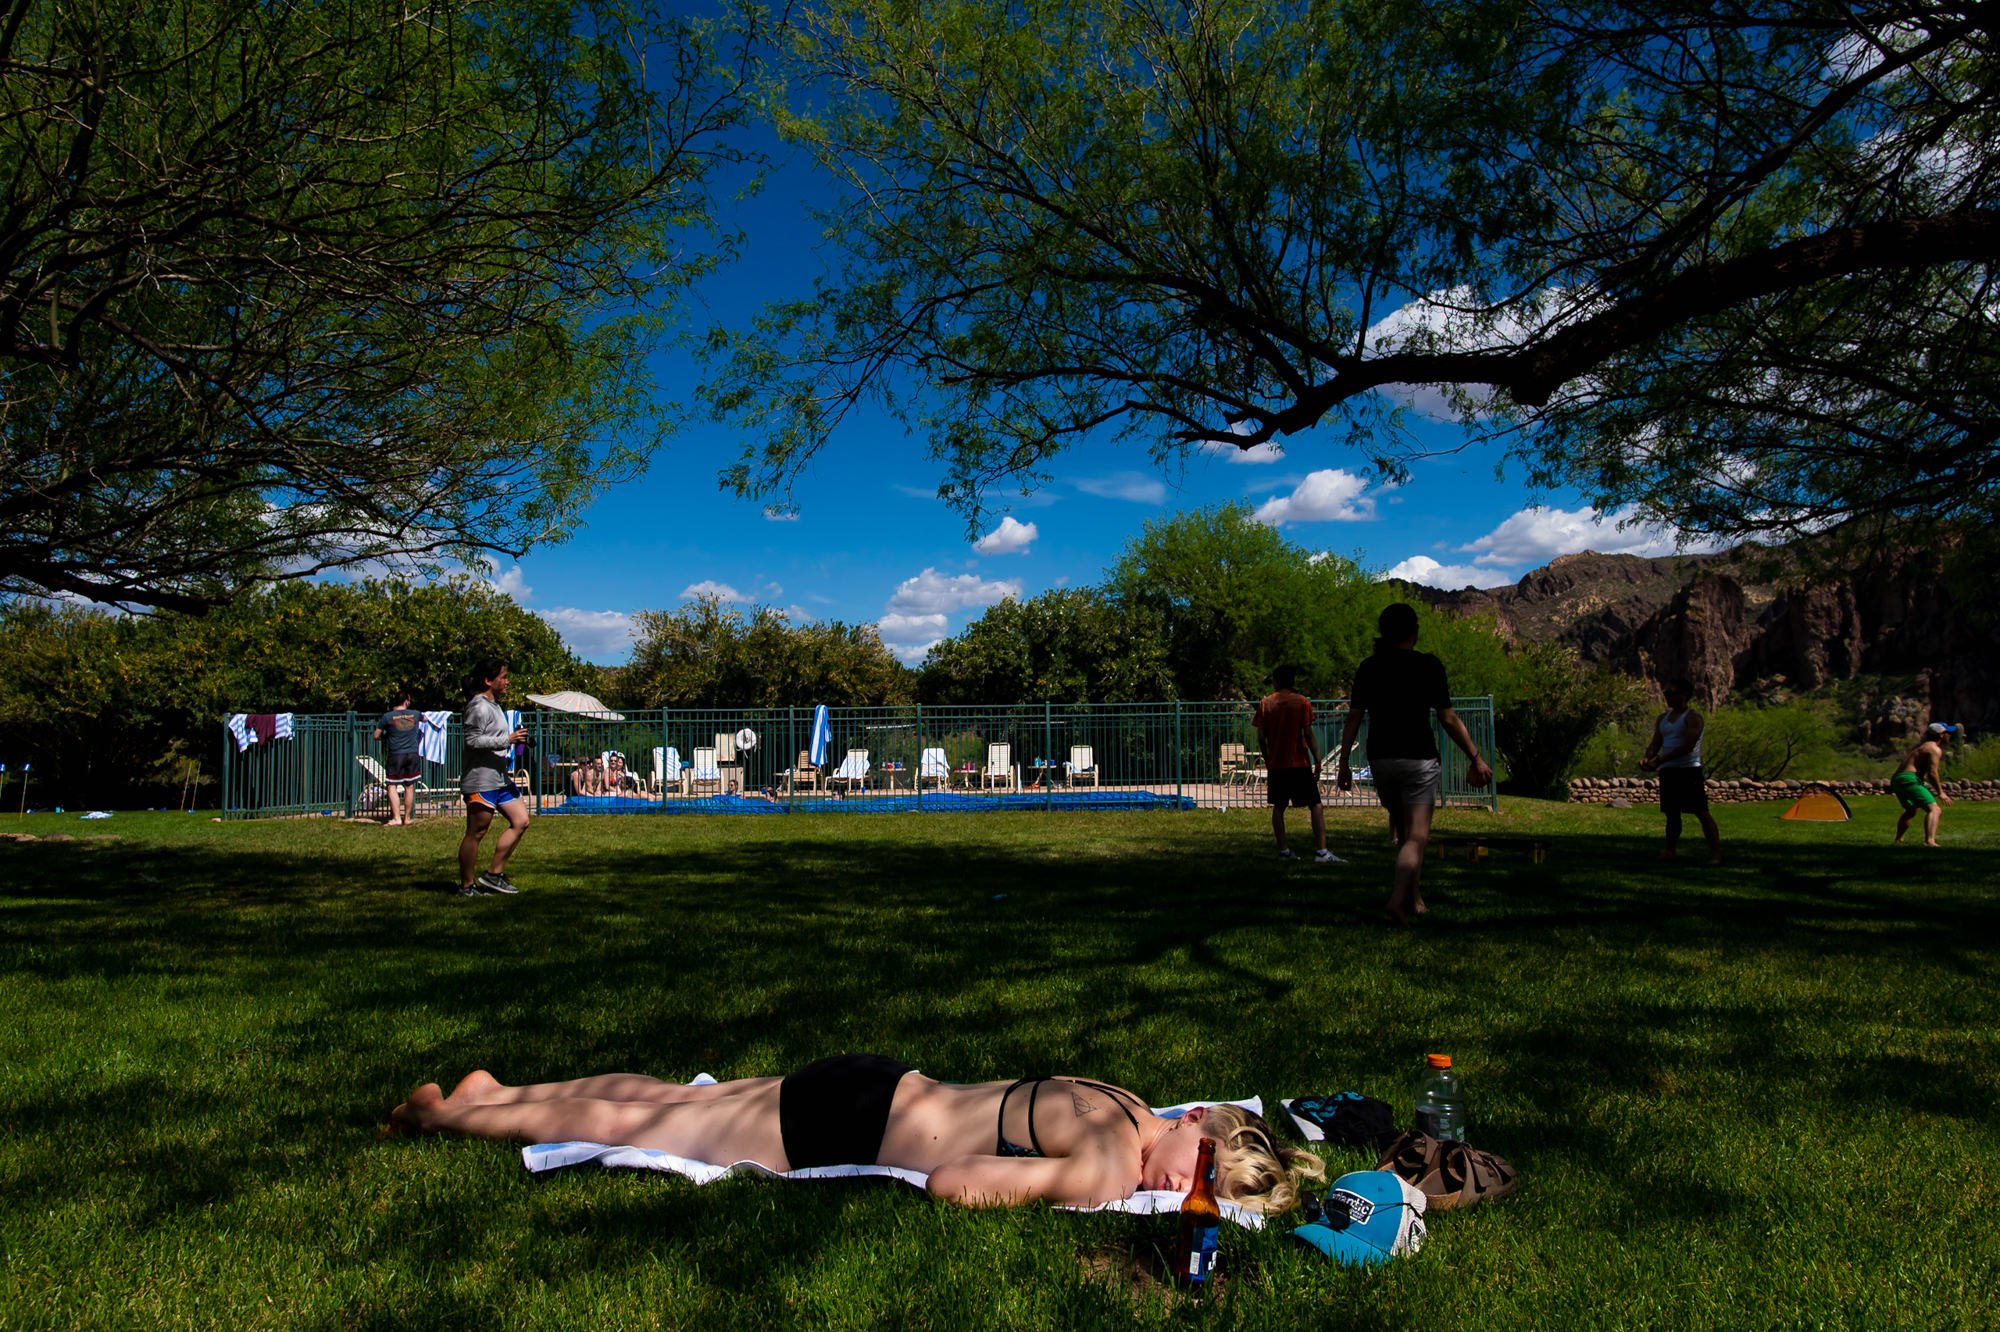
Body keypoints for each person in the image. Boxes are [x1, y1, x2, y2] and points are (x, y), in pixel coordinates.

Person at [387, 1055, 1324, 1214]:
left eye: (1206, 1194)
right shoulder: (1112, 1162)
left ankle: (493, 1090)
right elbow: (956, 1184)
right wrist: (1092, 1191)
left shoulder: (1126, 1102)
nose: (1179, 1189)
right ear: (1197, 1125)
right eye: (1199, 1171)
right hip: (850, 1120)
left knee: (664, 1098)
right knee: (637, 1124)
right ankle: (442, 1114)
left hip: (881, 1081)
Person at [1336, 603, 1493, 926]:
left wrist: (1342, 763)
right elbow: (1447, 718)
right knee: (1418, 836)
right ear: (1414, 631)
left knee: (1407, 833)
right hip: (1419, 760)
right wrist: (1475, 757)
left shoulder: (1369, 667)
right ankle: (1396, 900)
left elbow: (1354, 718)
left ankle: (1414, 898)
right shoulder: (1428, 666)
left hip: (1381, 760)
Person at [458, 658, 530, 897]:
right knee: (476, 833)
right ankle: (467, 886)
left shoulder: (495, 705)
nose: (507, 681)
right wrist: (507, 740)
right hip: (481, 780)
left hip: (500, 778)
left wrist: (516, 738)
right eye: (503, 677)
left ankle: (493, 874)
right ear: (488, 680)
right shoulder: (477, 706)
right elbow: (472, 741)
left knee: (521, 821)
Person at [1254, 664, 1338, 863]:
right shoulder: (1301, 703)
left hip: (1277, 765)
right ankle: (1322, 851)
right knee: (1315, 805)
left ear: (1276, 681)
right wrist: (1317, 759)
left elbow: (1261, 736)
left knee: (1279, 807)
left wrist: (1267, 758)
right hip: (1299, 763)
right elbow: (1307, 733)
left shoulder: (1266, 703)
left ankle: (1283, 850)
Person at [1638, 678, 1722, 865]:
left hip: (1688, 770)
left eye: (1671, 693)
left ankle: (1716, 854)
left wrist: (1659, 761)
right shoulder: (1663, 718)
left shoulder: (1693, 718)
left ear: (1683, 695)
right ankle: (1670, 851)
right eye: (1666, 694)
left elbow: (1688, 746)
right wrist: (1648, 756)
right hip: (1669, 771)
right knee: (1672, 813)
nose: (1667, 697)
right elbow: (1656, 742)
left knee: (1701, 812)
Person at [1891, 721, 1958, 846]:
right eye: (1948, 733)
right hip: (1909, 779)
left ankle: (1898, 839)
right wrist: (1941, 793)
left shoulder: (1923, 746)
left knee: (1911, 810)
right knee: (1935, 809)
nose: (1950, 735)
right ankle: (1930, 841)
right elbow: (1932, 773)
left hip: (1897, 779)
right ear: (1941, 735)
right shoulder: (1934, 749)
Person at [372, 690, 424, 826]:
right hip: (413, 754)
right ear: (406, 701)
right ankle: (407, 818)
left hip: (396, 755)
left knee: (392, 786)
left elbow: (376, 735)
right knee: (409, 786)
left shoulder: (387, 717)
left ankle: (396, 818)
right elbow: (429, 719)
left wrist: (386, 736)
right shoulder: (416, 714)